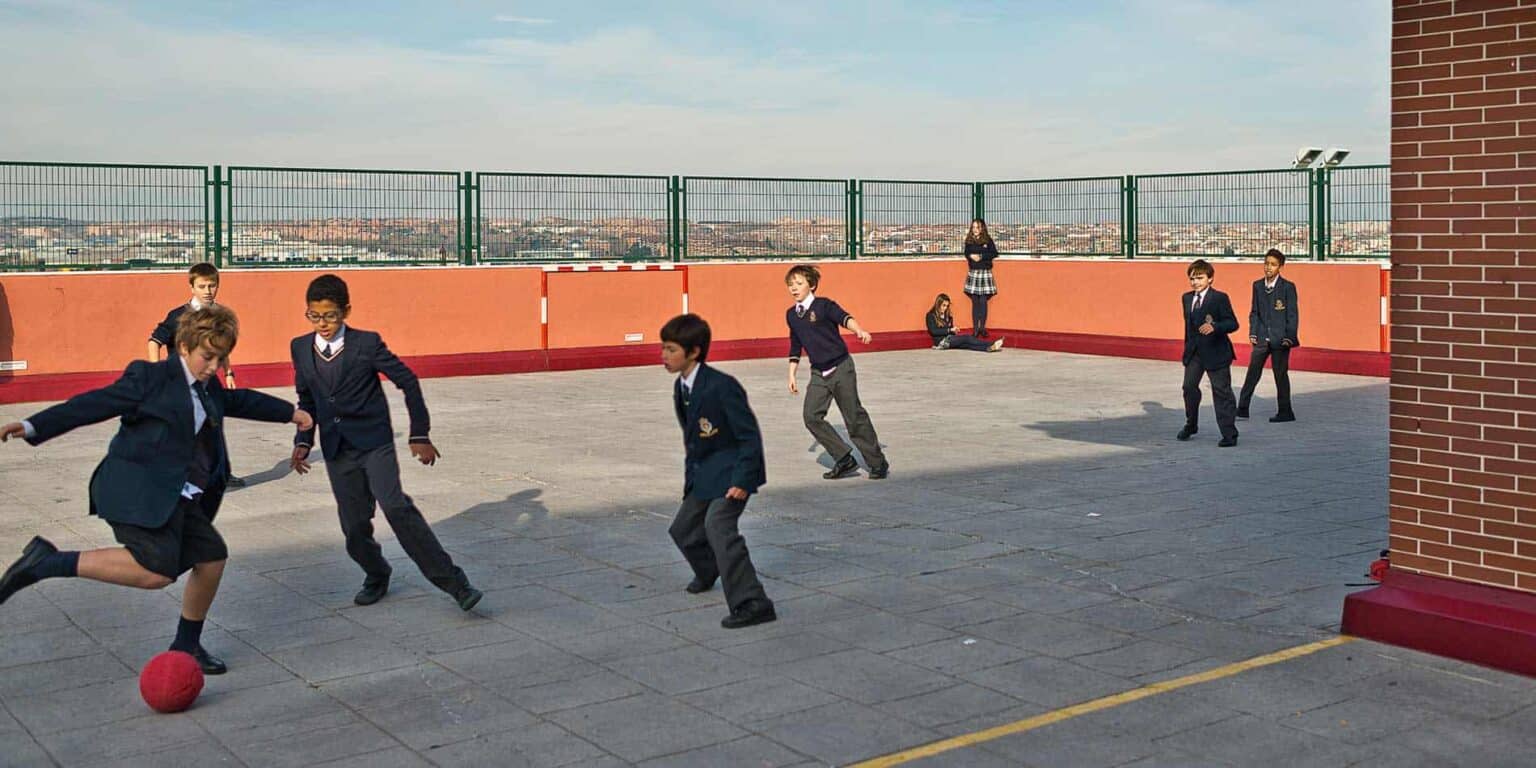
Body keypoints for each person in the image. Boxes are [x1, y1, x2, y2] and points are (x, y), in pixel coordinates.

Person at [0, 305, 310, 674]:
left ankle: (187, 645)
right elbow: (93, 404)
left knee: (211, 557)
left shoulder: (208, 388)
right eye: (207, 356)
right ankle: (48, 562)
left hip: (179, 497)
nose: (213, 366)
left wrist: (291, 413)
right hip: (135, 491)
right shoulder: (149, 378)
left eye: (221, 358)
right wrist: (33, 425)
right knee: (158, 572)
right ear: (183, 346)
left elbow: (240, 400)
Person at [287, 274, 482, 611]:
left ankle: (455, 583)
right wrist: (304, 440)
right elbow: (306, 398)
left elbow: (407, 380)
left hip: (374, 443)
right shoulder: (300, 347)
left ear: (346, 311)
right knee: (354, 527)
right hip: (337, 451)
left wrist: (419, 433)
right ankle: (377, 573)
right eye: (314, 316)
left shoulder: (367, 343)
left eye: (330, 315)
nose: (323, 323)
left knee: (395, 507)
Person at [660, 313, 775, 629]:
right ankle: (709, 569)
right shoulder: (681, 387)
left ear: (694, 351)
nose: (664, 356)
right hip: (705, 474)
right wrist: (690, 483)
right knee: (682, 530)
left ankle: (753, 602)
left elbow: (748, 436)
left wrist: (743, 480)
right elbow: (692, 440)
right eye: (664, 349)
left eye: (671, 350)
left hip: (733, 473)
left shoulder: (722, 387)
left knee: (718, 527)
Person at [785, 264, 889, 480]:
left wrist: (858, 330)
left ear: (811, 285)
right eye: (791, 284)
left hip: (841, 367)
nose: (794, 288)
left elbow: (844, 318)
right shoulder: (792, 315)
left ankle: (877, 463)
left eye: (799, 283)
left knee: (853, 417)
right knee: (811, 416)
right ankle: (844, 459)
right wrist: (792, 373)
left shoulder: (823, 306)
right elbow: (795, 344)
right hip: (818, 373)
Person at [148, 263, 245, 487]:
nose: (208, 290)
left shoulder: (219, 315)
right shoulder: (178, 316)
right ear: (192, 287)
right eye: (202, 286)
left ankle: (221, 474)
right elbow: (154, 342)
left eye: (212, 285)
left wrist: (228, 372)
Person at [1178, 259, 1240, 448]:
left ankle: (1229, 433)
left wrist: (1215, 327)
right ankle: (1191, 424)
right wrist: (1187, 350)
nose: (1195, 282)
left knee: (1222, 392)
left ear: (1210, 279)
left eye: (1199, 277)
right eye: (1192, 278)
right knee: (1189, 388)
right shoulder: (1187, 298)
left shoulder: (1219, 298)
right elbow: (1188, 327)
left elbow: (1233, 323)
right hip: (1195, 353)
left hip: (1216, 352)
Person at [1238, 248, 1299, 423]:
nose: (1268, 268)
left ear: (1280, 267)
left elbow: (1293, 314)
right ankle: (1242, 409)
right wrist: (1253, 332)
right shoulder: (1257, 286)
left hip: (1280, 340)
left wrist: (1289, 336)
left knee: (1280, 375)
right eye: (1266, 264)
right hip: (1262, 338)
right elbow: (1254, 311)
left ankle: (1285, 411)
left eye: (1273, 265)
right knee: (1252, 373)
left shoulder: (1288, 287)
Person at [926, 293, 1003, 352]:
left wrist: (954, 331)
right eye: (943, 305)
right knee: (967, 338)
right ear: (938, 304)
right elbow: (933, 331)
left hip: (950, 339)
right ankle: (992, 343)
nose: (945, 308)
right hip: (941, 341)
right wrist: (949, 330)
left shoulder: (948, 316)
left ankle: (988, 348)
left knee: (967, 345)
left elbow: (950, 331)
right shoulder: (930, 315)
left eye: (947, 306)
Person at [962, 218, 999, 339]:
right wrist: (971, 256)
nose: (975, 230)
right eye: (973, 227)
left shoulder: (988, 240)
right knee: (975, 302)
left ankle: (982, 327)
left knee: (983, 301)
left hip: (985, 273)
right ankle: (975, 329)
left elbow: (993, 253)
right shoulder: (969, 241)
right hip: (974, 273)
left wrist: (981, 256)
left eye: (977, 227)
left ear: (982, 228)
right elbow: (966, 253)